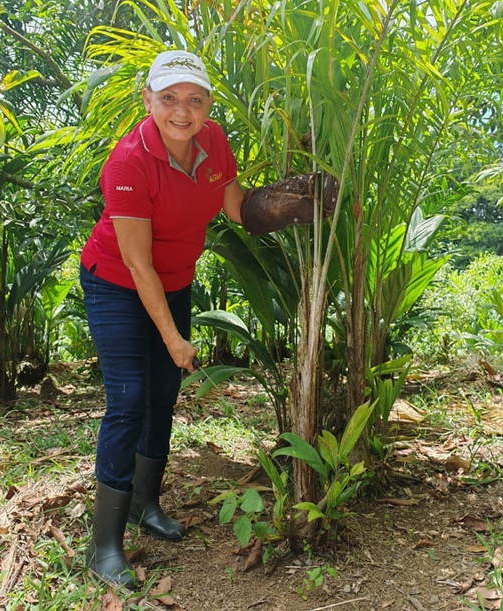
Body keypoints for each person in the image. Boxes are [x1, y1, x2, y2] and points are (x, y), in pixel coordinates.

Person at [79, 49, 339, 589]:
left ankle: (144, 505)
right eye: (169, 98)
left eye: (194, 100)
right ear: (148, 99)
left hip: (171, 282)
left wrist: (297, 199)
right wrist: (173, 337)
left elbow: (238, 209)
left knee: (164, 395)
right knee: (128, 399)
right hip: (117, 282)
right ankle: (104, 545)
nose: (182, 111)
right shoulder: (128, 163)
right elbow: (136, 262)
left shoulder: (214, 141)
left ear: (207, 106)